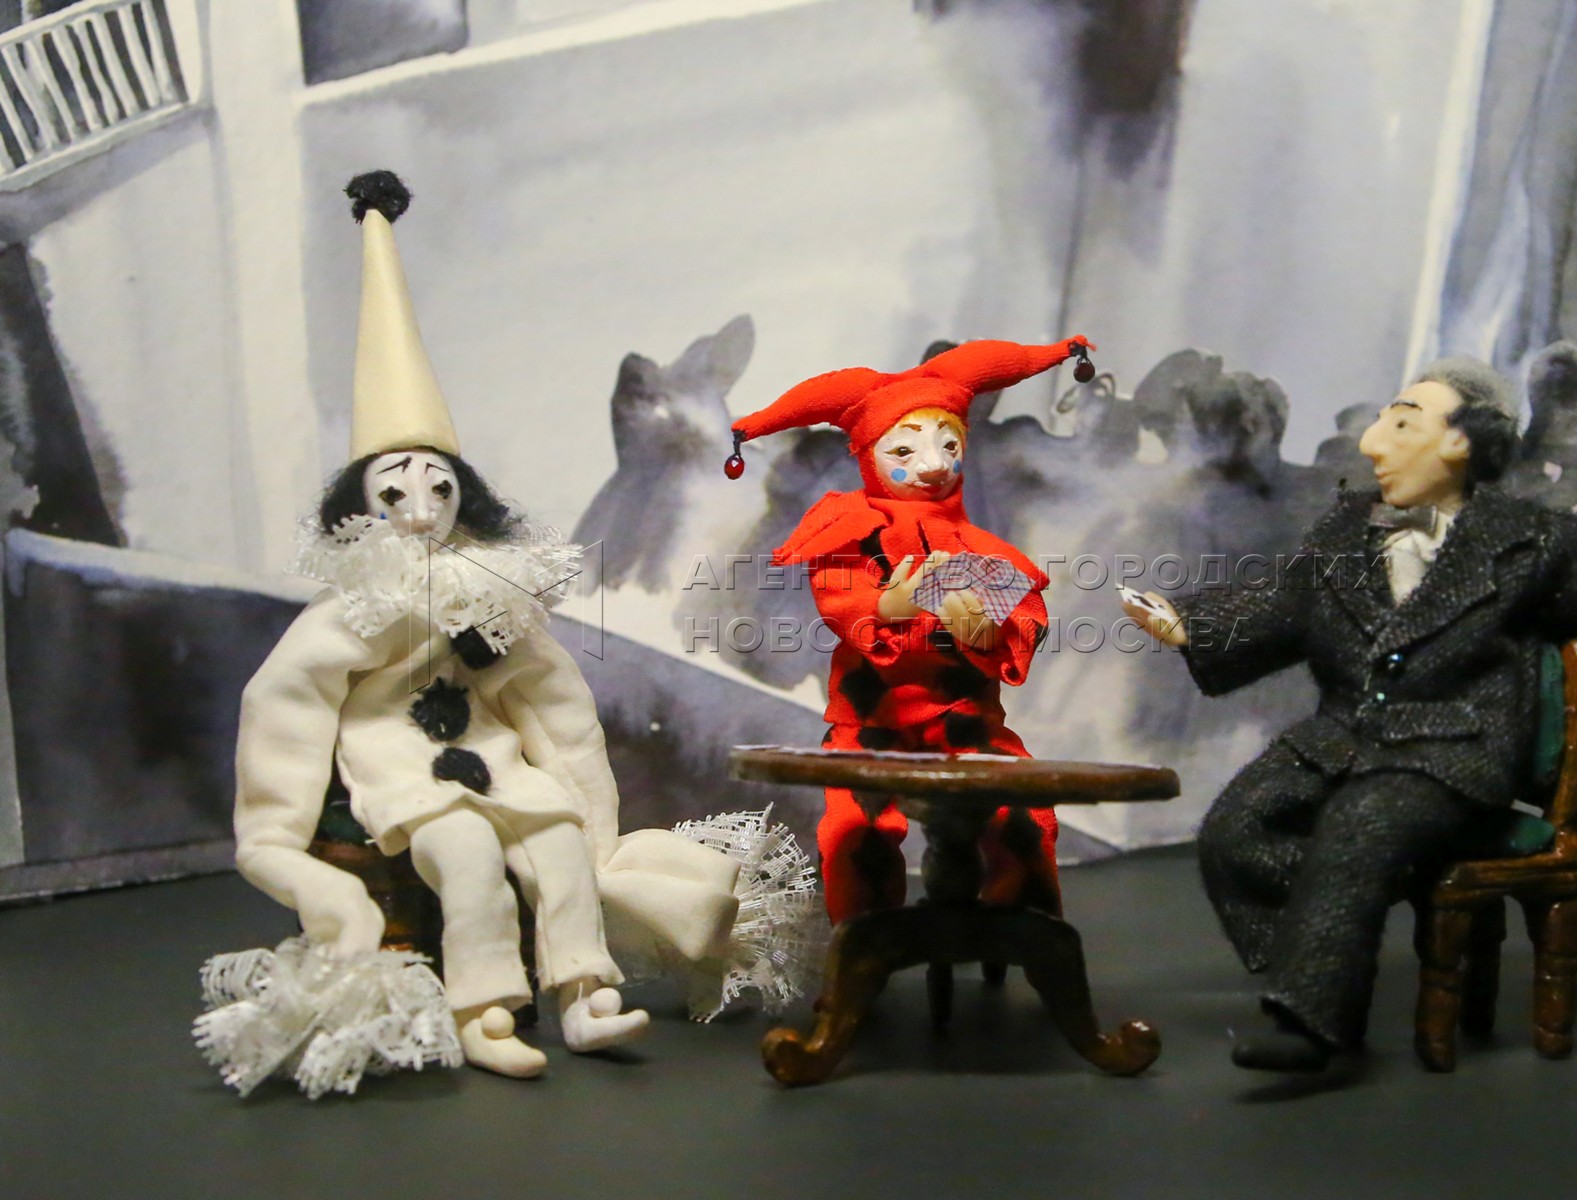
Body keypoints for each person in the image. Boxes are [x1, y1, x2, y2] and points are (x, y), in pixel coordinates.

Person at [233, 172, 743, 1079]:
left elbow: (550, 696)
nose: (421, 507)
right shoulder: (355, 601)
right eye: (395, 492)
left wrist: (594, 814)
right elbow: (290, 702)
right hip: (399, 763)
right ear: (362, 502)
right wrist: (275, 833)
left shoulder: (487, 583)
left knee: (557, 842)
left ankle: (584, 993)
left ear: (463, 495)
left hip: (492, 751)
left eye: (439, 488)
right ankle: (485, 1007)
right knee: (465, 853)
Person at [1124, 356, 1577, 1072]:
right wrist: (1192, 628)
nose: (1374, 443)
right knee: (1235, 830)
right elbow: (1286, 603)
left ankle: (1312, 1018)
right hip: (1342, 735)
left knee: (1360, 825)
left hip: (1452, 747)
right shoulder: (1348, 530)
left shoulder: (1533, 541)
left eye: (1402, 425)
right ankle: (1319, 955)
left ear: (1461, 441)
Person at [726, 338, 1094, 923]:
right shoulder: (849, 530)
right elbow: (841, 601)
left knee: (1023, 815)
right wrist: (889, 605)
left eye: (950, 446)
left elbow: (1025, 613)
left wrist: (987, 633)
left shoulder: (982, 548)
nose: (934, 464)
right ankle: (862, 939)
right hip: (872, 719)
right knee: (855, 830)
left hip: (966, 716)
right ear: (870, 455)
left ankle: (1022, 930)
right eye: (905, 449)